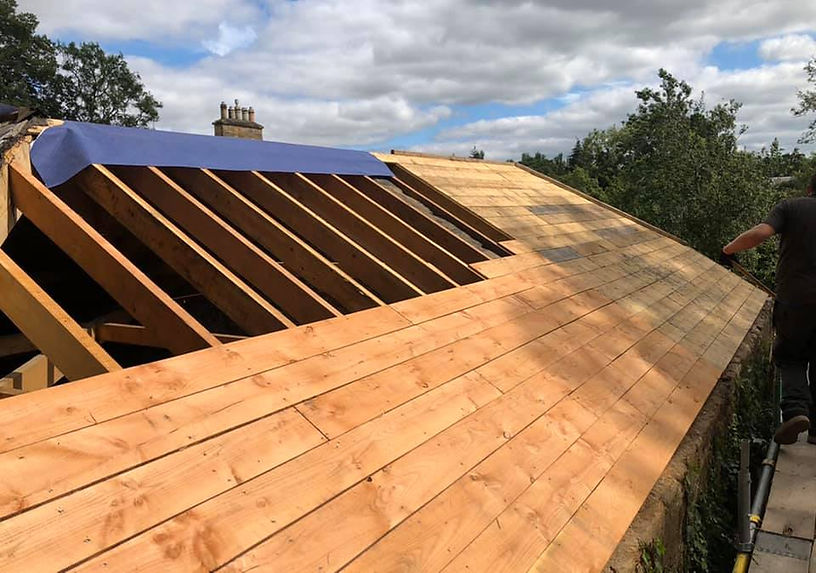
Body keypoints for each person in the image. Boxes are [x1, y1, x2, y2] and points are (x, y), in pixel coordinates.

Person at [722, 173, 816, 445]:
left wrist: (728, 250)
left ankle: (796, 412)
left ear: (809, 188)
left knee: (792, 357)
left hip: (795, 301)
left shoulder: (791, 207)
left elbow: (761, 233)